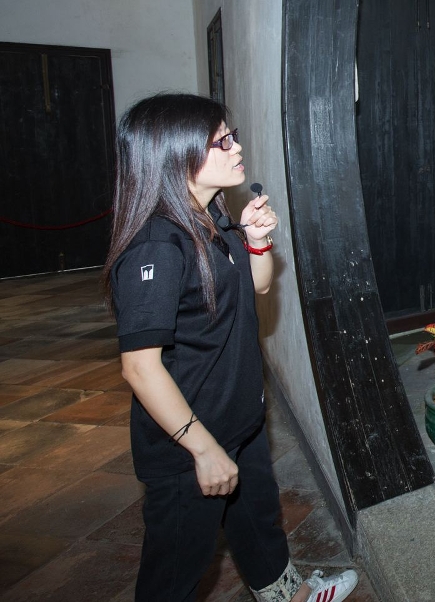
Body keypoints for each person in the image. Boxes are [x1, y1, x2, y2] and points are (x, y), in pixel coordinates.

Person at [106, 93, 358, 602]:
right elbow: (139, 367)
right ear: (176, 155)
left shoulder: (213, 218)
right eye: (221, 140)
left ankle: (286, 594)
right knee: (175, 569)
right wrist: (202, 448)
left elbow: (258, 287)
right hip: (189, 442)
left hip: (237, 420)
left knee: (258, 523)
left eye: (232, 133)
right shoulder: (157, 246)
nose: (236, 145)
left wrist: (258, 241)